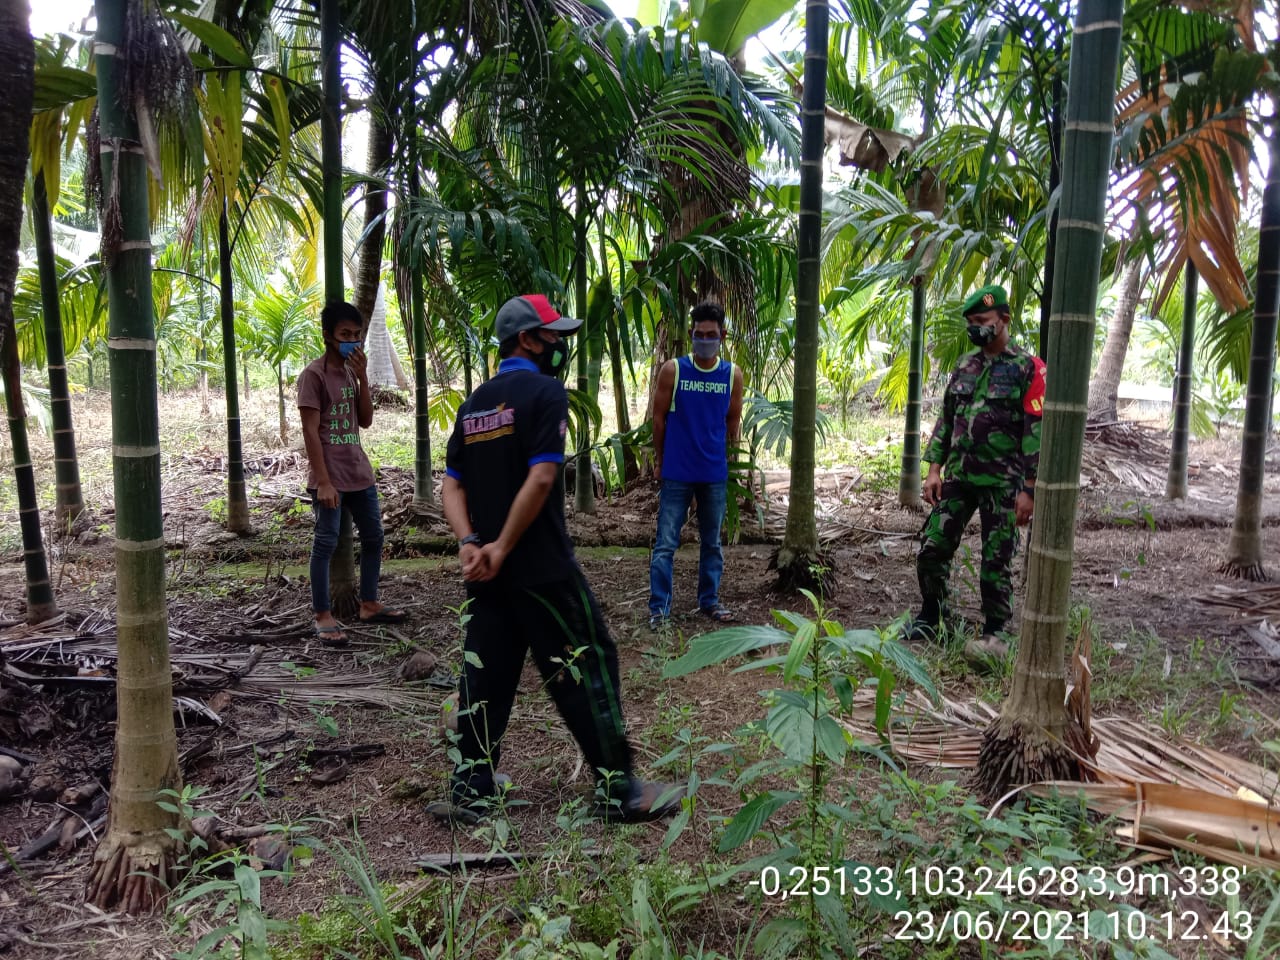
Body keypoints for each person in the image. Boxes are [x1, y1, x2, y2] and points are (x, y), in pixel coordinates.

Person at [436, 293, 683, 825]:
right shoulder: (546, 394)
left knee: (486, 676)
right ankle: (620, 791)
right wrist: (504, 545)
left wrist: (470, 543)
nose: (558, 345)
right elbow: (544, 475)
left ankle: (471, 788)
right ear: (527, 340)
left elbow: (451, 485)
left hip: (486, 572)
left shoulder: (475, 403)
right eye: (552, 336)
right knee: (590, 663)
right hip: (541, 567)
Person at [905, 284, 1045, 660]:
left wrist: (1029, 489)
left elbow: (1035, 431)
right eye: (970, 322)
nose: (975, 328)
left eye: (981, 320)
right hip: (960, 478)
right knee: (932, 547)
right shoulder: (965, 365)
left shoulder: (1027, 368)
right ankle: (933, 616)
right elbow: (947, 419)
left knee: (996, 561)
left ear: (1004, 319)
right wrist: (934, 470)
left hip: (1003, 483)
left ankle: (995, 632)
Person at [297, 301, 406, 647]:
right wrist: (323, 482)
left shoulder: (349, 373)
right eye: (345, 334)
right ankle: (322, 614)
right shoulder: (313, 376)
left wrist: (362, 378)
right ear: (327, 335)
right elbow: (310, 432)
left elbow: (365, 421)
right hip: (330, 477)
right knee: (325, 543)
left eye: (357, 335)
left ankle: (369, 604)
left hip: (359, 472)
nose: (352, 341)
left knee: (374, 537)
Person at [647, 301, 745, 629]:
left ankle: (709, 600)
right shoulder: (673, 370)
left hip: (713, 473)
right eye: (699, 334)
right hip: (677, 471)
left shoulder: (732, 375)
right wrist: (660, 461)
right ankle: (659, 609)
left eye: (711, 335)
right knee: (666, 543)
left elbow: (732, 422)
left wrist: (728, 459)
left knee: (712, 542)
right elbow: (658, 420)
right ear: (691, 334)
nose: (705, 340)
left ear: (722, 336)